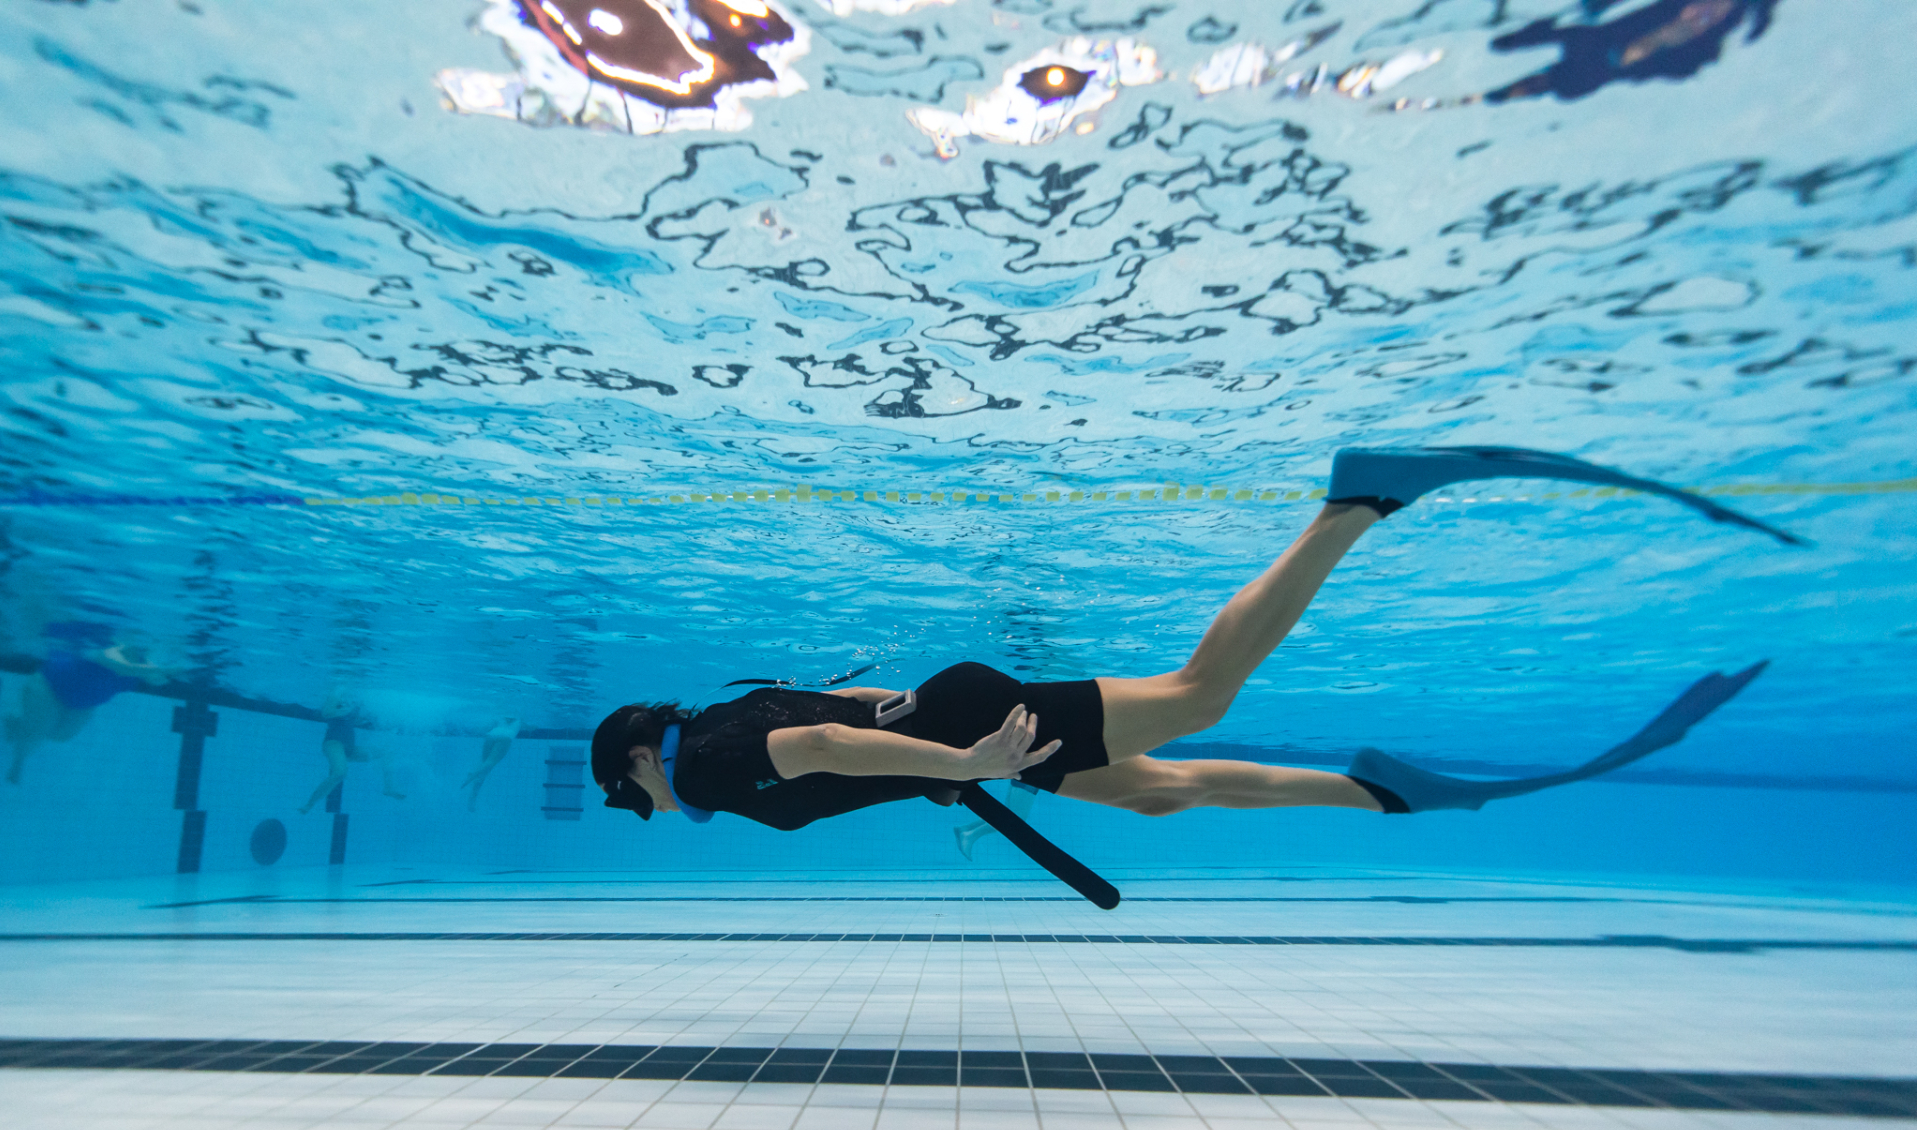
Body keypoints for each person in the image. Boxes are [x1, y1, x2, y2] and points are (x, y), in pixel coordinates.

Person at [591, 447, 1776, 833]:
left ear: (637, 757)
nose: (641, 802)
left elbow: (820, 750)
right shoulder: (716, 718)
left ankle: (1358, 501)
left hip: (977, 731)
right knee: (1162, 793)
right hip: (958, 722)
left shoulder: (711, 762)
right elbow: (846, 714)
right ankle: (1385, 791)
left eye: (626, 788)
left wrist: (964, 761)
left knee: (1201, 693)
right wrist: (941, 753)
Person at [4, 624, 171, 784]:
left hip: (83, 703)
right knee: (35, 732)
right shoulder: (110, 646)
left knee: (62, 736)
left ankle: (21, 722)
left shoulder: (142, 662)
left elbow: (158, 679)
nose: (141, 645)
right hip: (50, 685)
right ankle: (18, 762)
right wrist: (157, 670)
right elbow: (125, 668)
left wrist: (161, 667)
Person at [299, 692, 405, 814]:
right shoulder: (336, 697)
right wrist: (348, 709)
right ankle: (310, 804)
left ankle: (389, 787)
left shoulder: (354, 702)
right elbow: (326, 713)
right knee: (339, 773)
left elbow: (356, 720)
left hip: (350, 747)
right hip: (334, 743)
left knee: (387, 752)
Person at [459, 717, 521, 810]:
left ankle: (473, 797)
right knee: (489, 764)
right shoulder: (519, 718)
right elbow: (529, 727)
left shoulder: (501, 716)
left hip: (491, 735)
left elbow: (489, 724)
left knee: (484, 765)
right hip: (505, 738)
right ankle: (472, 775)